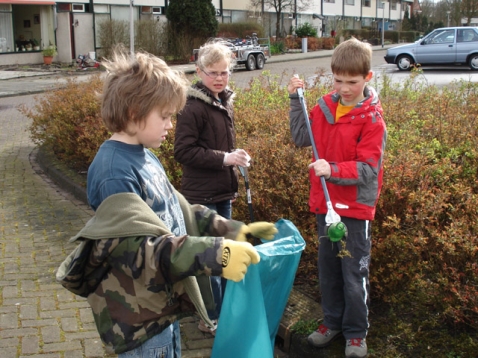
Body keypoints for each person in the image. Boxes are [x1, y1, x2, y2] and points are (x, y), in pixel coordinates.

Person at [56, 49, 277, 357]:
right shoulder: (113, 174)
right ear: (135, 113)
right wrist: (216, 254)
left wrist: (234, 230)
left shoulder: (145, 156)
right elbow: (139, 252)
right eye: (164, 116)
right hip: (139, 323)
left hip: (161, 311)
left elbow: (179, 210)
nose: (171, 126)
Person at [287, 37, 387, 358]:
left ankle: (356, 333)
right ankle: (332, 322)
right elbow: (302, 137)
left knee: (353, 272)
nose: (344, 88)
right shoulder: (324, 107)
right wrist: (294, 100)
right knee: (328, 268)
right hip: (325, 205)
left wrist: (330, 168)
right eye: (338, 80)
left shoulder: (372, 119)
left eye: (352, 82)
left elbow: (369, 169)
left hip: (354, 210)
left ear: (367, 78)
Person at [174, 40, 251, 334]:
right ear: (198, 71)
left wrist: (237, 157)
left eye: (225, 72)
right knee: (209, 260)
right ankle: (209, 318)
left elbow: (221, 147)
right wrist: (225, 158)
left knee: (224, 255)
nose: (219, 78)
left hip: (222, 191)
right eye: (213, 72)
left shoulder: (223, 101)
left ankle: (219, 312)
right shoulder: (192, 107)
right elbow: (183, 151)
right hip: (201, 195)